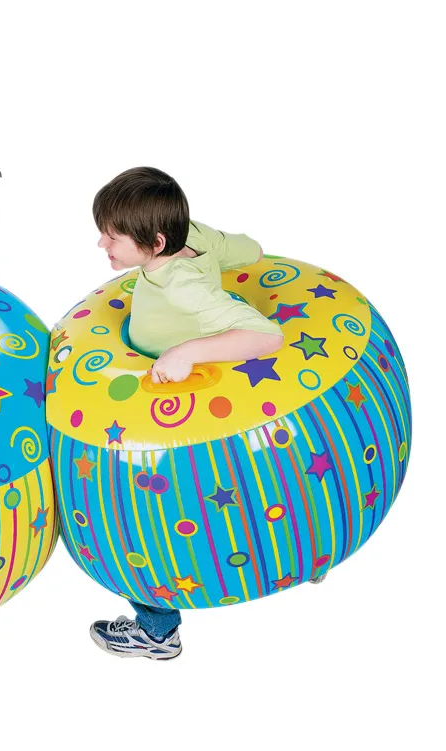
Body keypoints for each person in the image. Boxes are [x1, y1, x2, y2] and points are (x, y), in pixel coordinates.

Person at [89, 166, 284, 660]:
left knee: (136, 517)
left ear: (155, 242)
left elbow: (268, 336)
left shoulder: (183, 287)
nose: (101, 244)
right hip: (156, 368)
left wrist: (188, 352)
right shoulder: (193, 234)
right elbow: (249, 249)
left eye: (113, 237)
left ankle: (157, 632)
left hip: (168, 409)